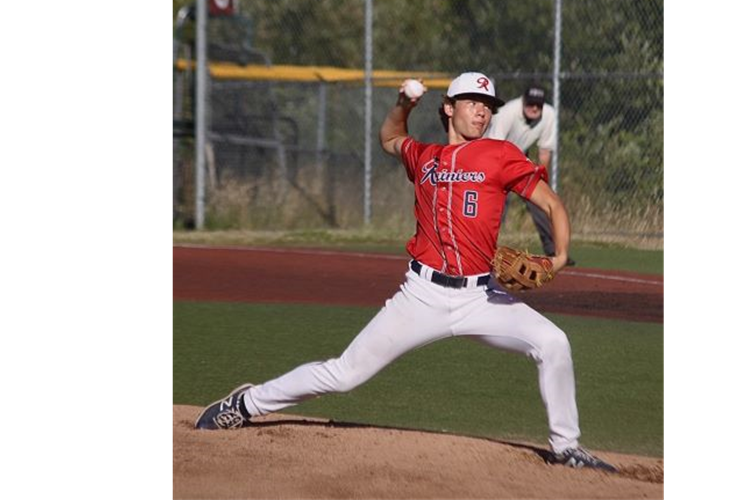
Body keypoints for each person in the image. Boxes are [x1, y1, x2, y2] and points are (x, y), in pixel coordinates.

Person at [195, 71, 615, 472]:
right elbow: (391, 137)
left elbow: (553, 205)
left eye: (488, 104)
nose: (482, 111)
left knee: (553, 342)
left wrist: (558, 258)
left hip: (481, 297)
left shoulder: (501, 155)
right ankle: (246, 404)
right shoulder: (424, 157)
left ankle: (566, 447)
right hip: (422, 296)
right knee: (344, 374)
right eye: (472, 102)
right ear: (449, 108)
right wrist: (403, 103)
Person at [485, 85, 575, 266]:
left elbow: (544, 151)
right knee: (494, 205)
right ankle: (483, 249)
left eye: (538, 105)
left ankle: (553, 250)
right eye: (531, 104)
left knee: (541, 202)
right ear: (523, 102)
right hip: (491, 156)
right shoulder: (507, 112)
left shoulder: (548, 114)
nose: (535, 108)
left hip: (518, 156)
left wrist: (541, 182)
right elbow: (492, 146)